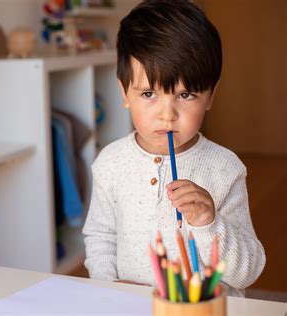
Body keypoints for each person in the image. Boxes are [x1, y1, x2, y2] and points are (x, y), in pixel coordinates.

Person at [82, 0, 265, 297]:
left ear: (210, 97)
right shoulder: (110, 163)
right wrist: (108, 287)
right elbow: (101, 237)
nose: (167, 114)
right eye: (149, 93)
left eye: (186, 94)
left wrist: (208, 223)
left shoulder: (225, 168)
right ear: (124, 93)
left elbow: (248, 273)